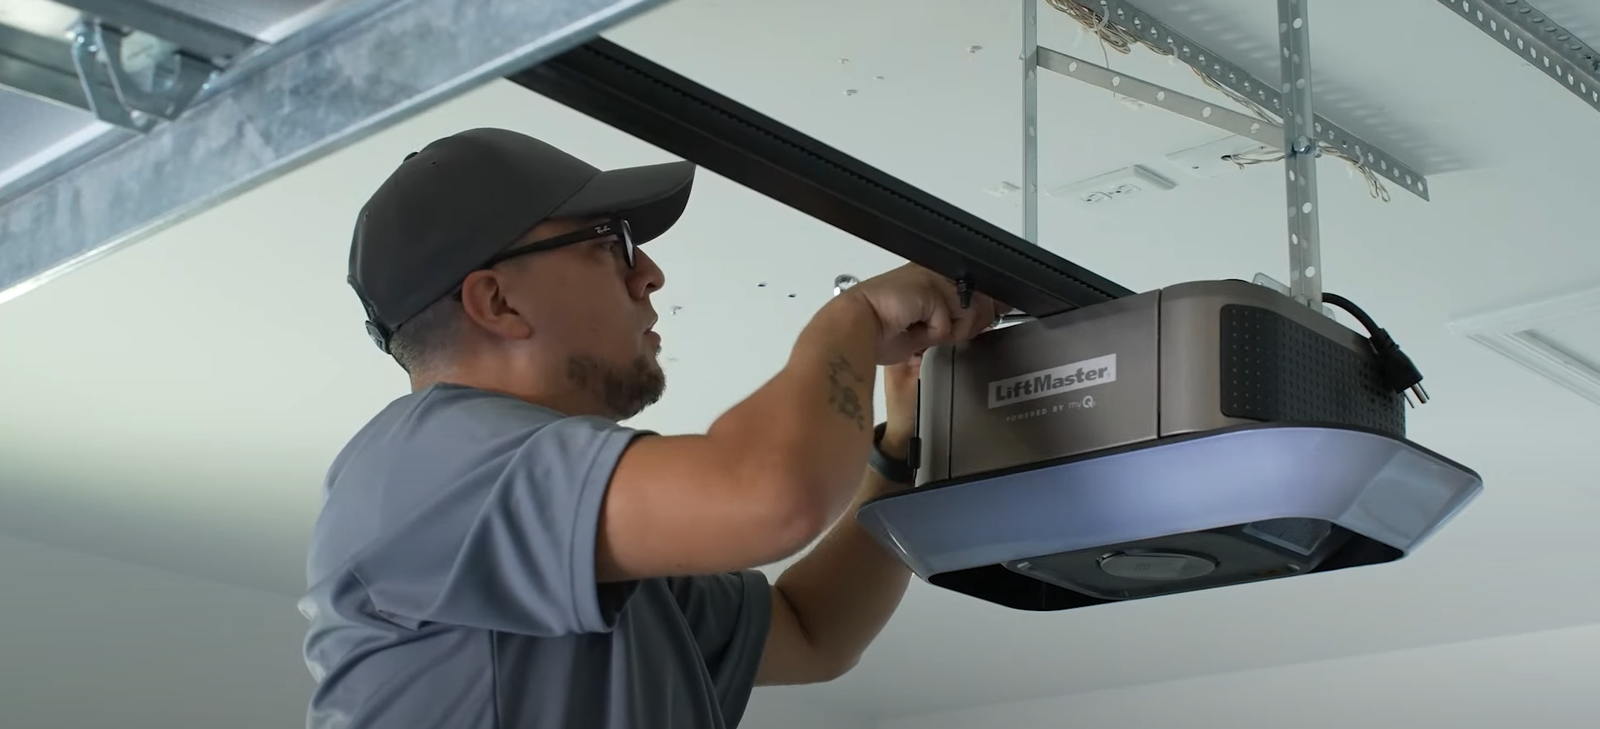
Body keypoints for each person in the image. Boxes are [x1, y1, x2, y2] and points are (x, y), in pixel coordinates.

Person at [299, 128, 1003, 729]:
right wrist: (856, 320)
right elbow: (771, 494)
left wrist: (905, 444)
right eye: (611, 242)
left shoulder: (581, 542)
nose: (651, 274)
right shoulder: (423, 462)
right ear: (497, 299)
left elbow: (814, 631)